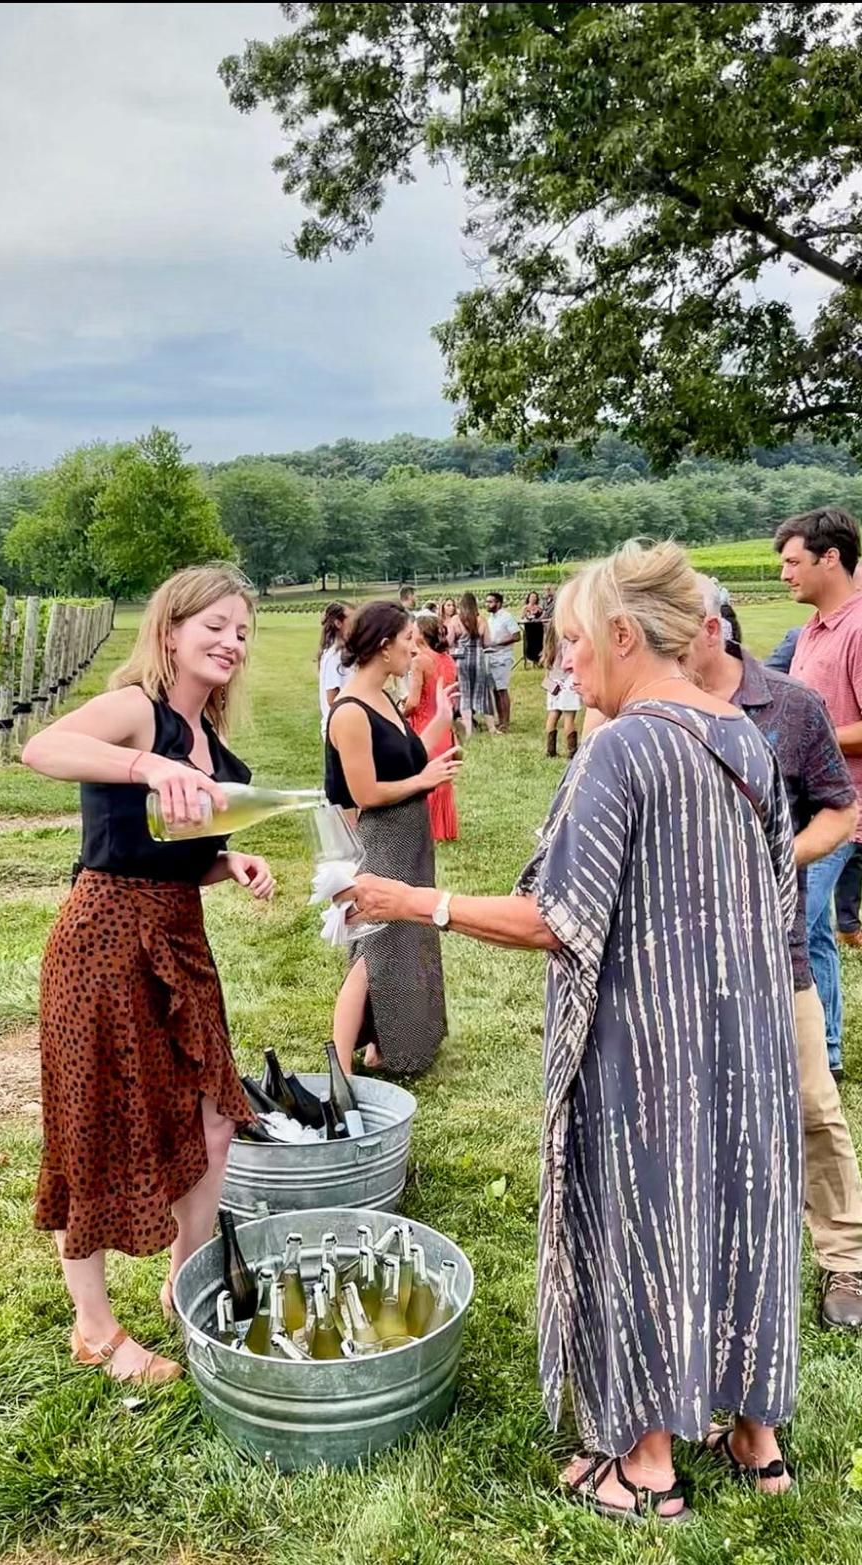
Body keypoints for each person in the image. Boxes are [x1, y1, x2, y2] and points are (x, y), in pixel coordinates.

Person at [342, 542, 802, 1520]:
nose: (571, 661)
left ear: (629, 635)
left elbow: (559, 917)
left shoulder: (624, 745)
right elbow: (775, 891)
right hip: (745, 1040)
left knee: (643, 1223)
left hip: (642, 1045)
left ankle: (645, 1464)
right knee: (733, 1218)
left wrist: (414, 900)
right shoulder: (747, 737)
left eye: (583, 640)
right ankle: (755, 1434)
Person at [21, 565, 275, 1385]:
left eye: (241, 629)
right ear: (170, 631)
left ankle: (185, 1279)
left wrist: (228, 861)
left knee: (214, 1116)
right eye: (215, 626)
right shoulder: (138, 710)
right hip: (102, 938)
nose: (231, 641)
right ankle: (93, 1326)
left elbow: (173, 853)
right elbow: (43, 746)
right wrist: (144, 767)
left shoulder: (218, 749)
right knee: (93, 1124)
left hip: (178, 938)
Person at [686, 576, 862, 1330]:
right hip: (685, 959)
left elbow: (841, 809)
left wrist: (779, 853)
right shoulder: (652, 711)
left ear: (711, 625)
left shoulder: (790, 705)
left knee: (815, 1107)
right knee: (701, 1115)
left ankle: (845, 1263)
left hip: (774, 949)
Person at [325, 600, 461, 1075]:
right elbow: (366, 792)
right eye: (408, 641)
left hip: (409, 835)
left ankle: (383, 1047)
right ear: (384, 647)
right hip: (381, 839)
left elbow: (406, 757)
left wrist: (440, 720)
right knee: (376, 944)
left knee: (404, 938)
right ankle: (340, 1064)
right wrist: (425, 782)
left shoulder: (383, 698)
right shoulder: (349, 712)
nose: (414, 650)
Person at [776, 506, 862, 1076]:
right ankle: (825, 1051)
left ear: (830, 558)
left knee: (793, 927)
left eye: (792, 561)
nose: (784, 574)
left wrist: (814, 743)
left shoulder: (858, 628)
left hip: (844, 810)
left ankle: (804, 1053)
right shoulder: (812, 628)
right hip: (813, 807)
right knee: (819, 934)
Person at [404, 615, 459, 842]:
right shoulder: (447, 659)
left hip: (425, 723)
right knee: (442, 778)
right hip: (444, 725)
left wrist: (399, 711)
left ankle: (428, 828)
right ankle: (443, 828)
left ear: (422, 634)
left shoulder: (420, 661)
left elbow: (414, 701)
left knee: (424, 775)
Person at [452, 591, 499, 738]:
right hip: (478, 658)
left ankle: (468, 731)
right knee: (483, 692)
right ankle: (491, 728)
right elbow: (488, 642)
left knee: (464, 693)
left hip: (461, 659)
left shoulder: (455, 620)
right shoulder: (481, 620)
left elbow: (448, 641)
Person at [542, 619, 582, 758]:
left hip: (553, 680)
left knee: (553, 714)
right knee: (569, 717)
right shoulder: (567, 643)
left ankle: (550, 749)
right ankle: (572, 751)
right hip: (567, 680)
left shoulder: (549, 643)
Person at [484, 591, 521, 731]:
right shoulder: (490, 618)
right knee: (495, 690)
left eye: (490, 602)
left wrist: (498, 643)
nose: (487, 604)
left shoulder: (506, 617)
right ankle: (500, 719)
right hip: (491, 656)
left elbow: (517, 636)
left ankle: (506, 721)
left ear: (498, 603)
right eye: (487, 601)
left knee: (502, 690)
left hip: (503, 657)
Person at [317, 601, 352, 740]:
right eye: (351, 619)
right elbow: (332, 698)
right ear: (338, 623)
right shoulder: (334, 656)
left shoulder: (343, 652)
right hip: (339, 728)